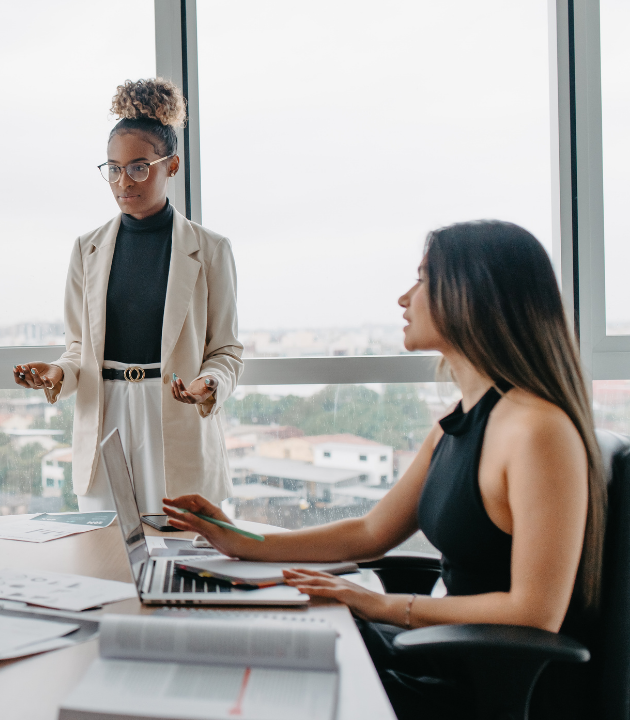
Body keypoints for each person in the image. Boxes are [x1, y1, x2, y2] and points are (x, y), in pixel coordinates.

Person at [162, 220, 605, 719]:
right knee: (241, 648)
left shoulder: (537, 431)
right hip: (435, 655)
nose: (404, 298)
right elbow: (371, 532)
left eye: (422, 279)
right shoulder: (462, 421)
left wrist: (381, 605)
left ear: (473, 294)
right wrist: (241, 540)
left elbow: (535, 613)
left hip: (469, 686)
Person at [13, 77, 242, 513]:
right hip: (104, 416)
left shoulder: (211, 249)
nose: (124, 181)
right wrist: (57, 373)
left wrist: (209, 384)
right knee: (105, 551)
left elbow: (226, 349)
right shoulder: (87, 248)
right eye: (113, 169)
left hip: (174, 414)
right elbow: (80, 347)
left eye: (139, 167)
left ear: (171, 166)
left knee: (180, 548)